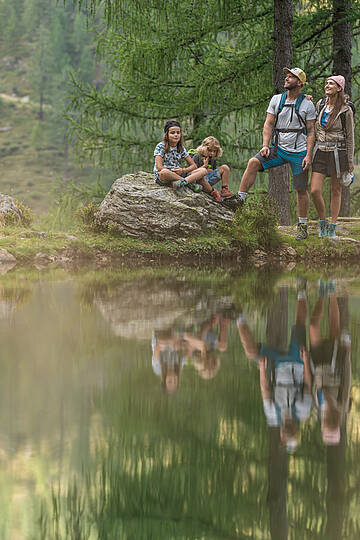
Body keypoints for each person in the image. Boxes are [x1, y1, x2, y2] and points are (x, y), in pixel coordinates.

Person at [237, 67, 316, 241]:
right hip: (278, 148)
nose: (287, 78)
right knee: (253, 163)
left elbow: (311, 131)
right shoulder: (276, 99)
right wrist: (265, 145)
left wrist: (308, 155)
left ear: (299, 83)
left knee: (301, 189)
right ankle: (239, 201)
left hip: (299, 152)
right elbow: (268, 123)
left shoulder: (307, 104)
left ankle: (302, 226)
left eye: (291, 77)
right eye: (287, 76)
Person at [237, 284, 313, 453]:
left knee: (251, 352)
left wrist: (262, 370)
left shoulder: (272, 416)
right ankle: (301, 289)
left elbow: (265, 390)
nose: (287, 432)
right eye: (291, 434)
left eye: (285, 436)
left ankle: (237, 314)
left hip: (276, 367)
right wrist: (306, 361)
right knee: (299, 326)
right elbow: (308, 384)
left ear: (281, 436)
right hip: (297, 365)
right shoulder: (303, 411)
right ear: (296, 430)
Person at [310, 75, 355, 238]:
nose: (327, 86)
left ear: (339, 88)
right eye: (327, 83)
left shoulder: (346, 110)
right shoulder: (320, 104)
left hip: (339, 151)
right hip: (321, 151)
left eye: (331, 83)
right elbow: (313, 127)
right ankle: (323, 221)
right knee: (314, 190)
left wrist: (350, 160)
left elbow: (350, 136)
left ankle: (332, 227)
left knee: (336, 190)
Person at [309, 281, 352, 446]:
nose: (327, 425)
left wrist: (307, 361)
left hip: (318, 364)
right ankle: (332, 291)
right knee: (335, 326)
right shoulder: (342, 405)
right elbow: (347, 381)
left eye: (326, 428)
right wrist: (347, 357)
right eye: (331, 427)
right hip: (335, 365)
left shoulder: (317, 411)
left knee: (313, 325)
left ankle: (321, 293)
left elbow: (312, 385)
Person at [153, 120, 222, 202]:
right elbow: (159, 167)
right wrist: (172, 171)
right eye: (172, 133)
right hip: (166, 176)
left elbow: (193, 166)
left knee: (203, 170)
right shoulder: (161, 146)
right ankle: (189, 184)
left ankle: (183, 182)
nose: (176, 135)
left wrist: (182, 170)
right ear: (167, 135)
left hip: (179, 174)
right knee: (164, 172)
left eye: (178, 133)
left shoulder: (181, 148)